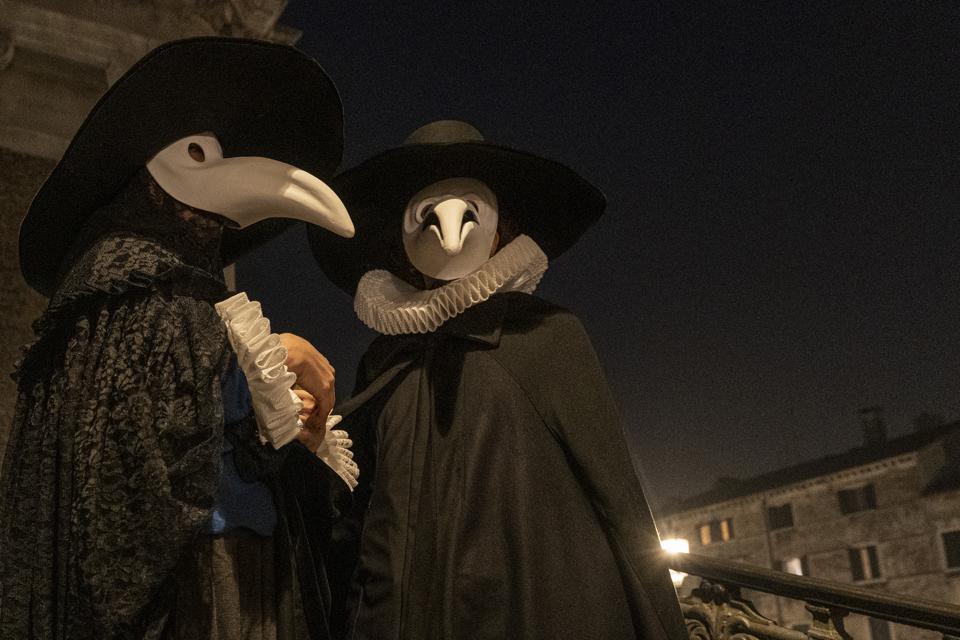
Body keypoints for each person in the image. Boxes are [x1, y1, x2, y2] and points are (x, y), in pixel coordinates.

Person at [0, 38, 357, 640]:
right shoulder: (125, 285)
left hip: (243, 563)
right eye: (197, 153)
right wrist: (271, 360)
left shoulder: (180, 296)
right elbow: (141, 457)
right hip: (191, 581)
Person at [309, 120, 688, 640]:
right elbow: (356, 498)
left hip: (515, 612)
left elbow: (617, 500)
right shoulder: (385, 360)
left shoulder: (545, 337)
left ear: (500, 227)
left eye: (469, 208)